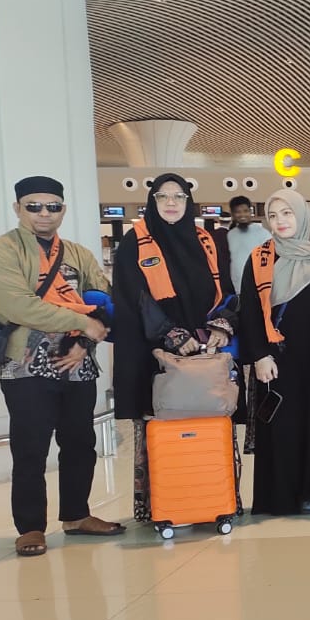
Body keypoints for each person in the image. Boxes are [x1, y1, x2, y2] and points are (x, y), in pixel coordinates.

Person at [0, 176, 123, 557]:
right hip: (26, 363)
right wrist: (81, 322)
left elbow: (103, 301)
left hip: (77, 362)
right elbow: (17, 304)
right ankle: (30, 527)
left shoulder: (77, 253)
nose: (44, 213)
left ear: (63, 210)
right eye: (34, 206)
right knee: (31, 446)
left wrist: (84, 341)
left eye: (53, 206)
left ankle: (77, 515)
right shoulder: (3, 251)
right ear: (18, 208)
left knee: (80, 442)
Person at [112, 173, 237, 522]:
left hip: (205, 355)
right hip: (157, 357)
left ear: (188, 202)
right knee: (164, 430)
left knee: (209, 426)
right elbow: (133, 297)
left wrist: (221, 325)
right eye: (163, 196)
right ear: (152, 201)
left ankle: (215, 502)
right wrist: (173, 335)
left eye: (178, 196)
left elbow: (228, 292)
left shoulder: (206, 242)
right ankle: (167, 506)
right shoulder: (134, 244)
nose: (171, 203)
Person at [238, 188, 310, 516]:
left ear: (302, 216)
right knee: (281, 427)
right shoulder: (260, 259)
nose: (280, 221)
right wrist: (259, 355)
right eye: (273, 215)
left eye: (287, 213)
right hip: (276, 360)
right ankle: (279, 496)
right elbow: (249, 312)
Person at [225, 195, 271, 294]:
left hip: (257, 288)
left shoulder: (263, 234)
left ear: (250, 211)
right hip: (236, 289)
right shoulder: (230, 235)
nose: (242, 215)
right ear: (232, 214)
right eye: (238, 212)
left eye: (245, 211)